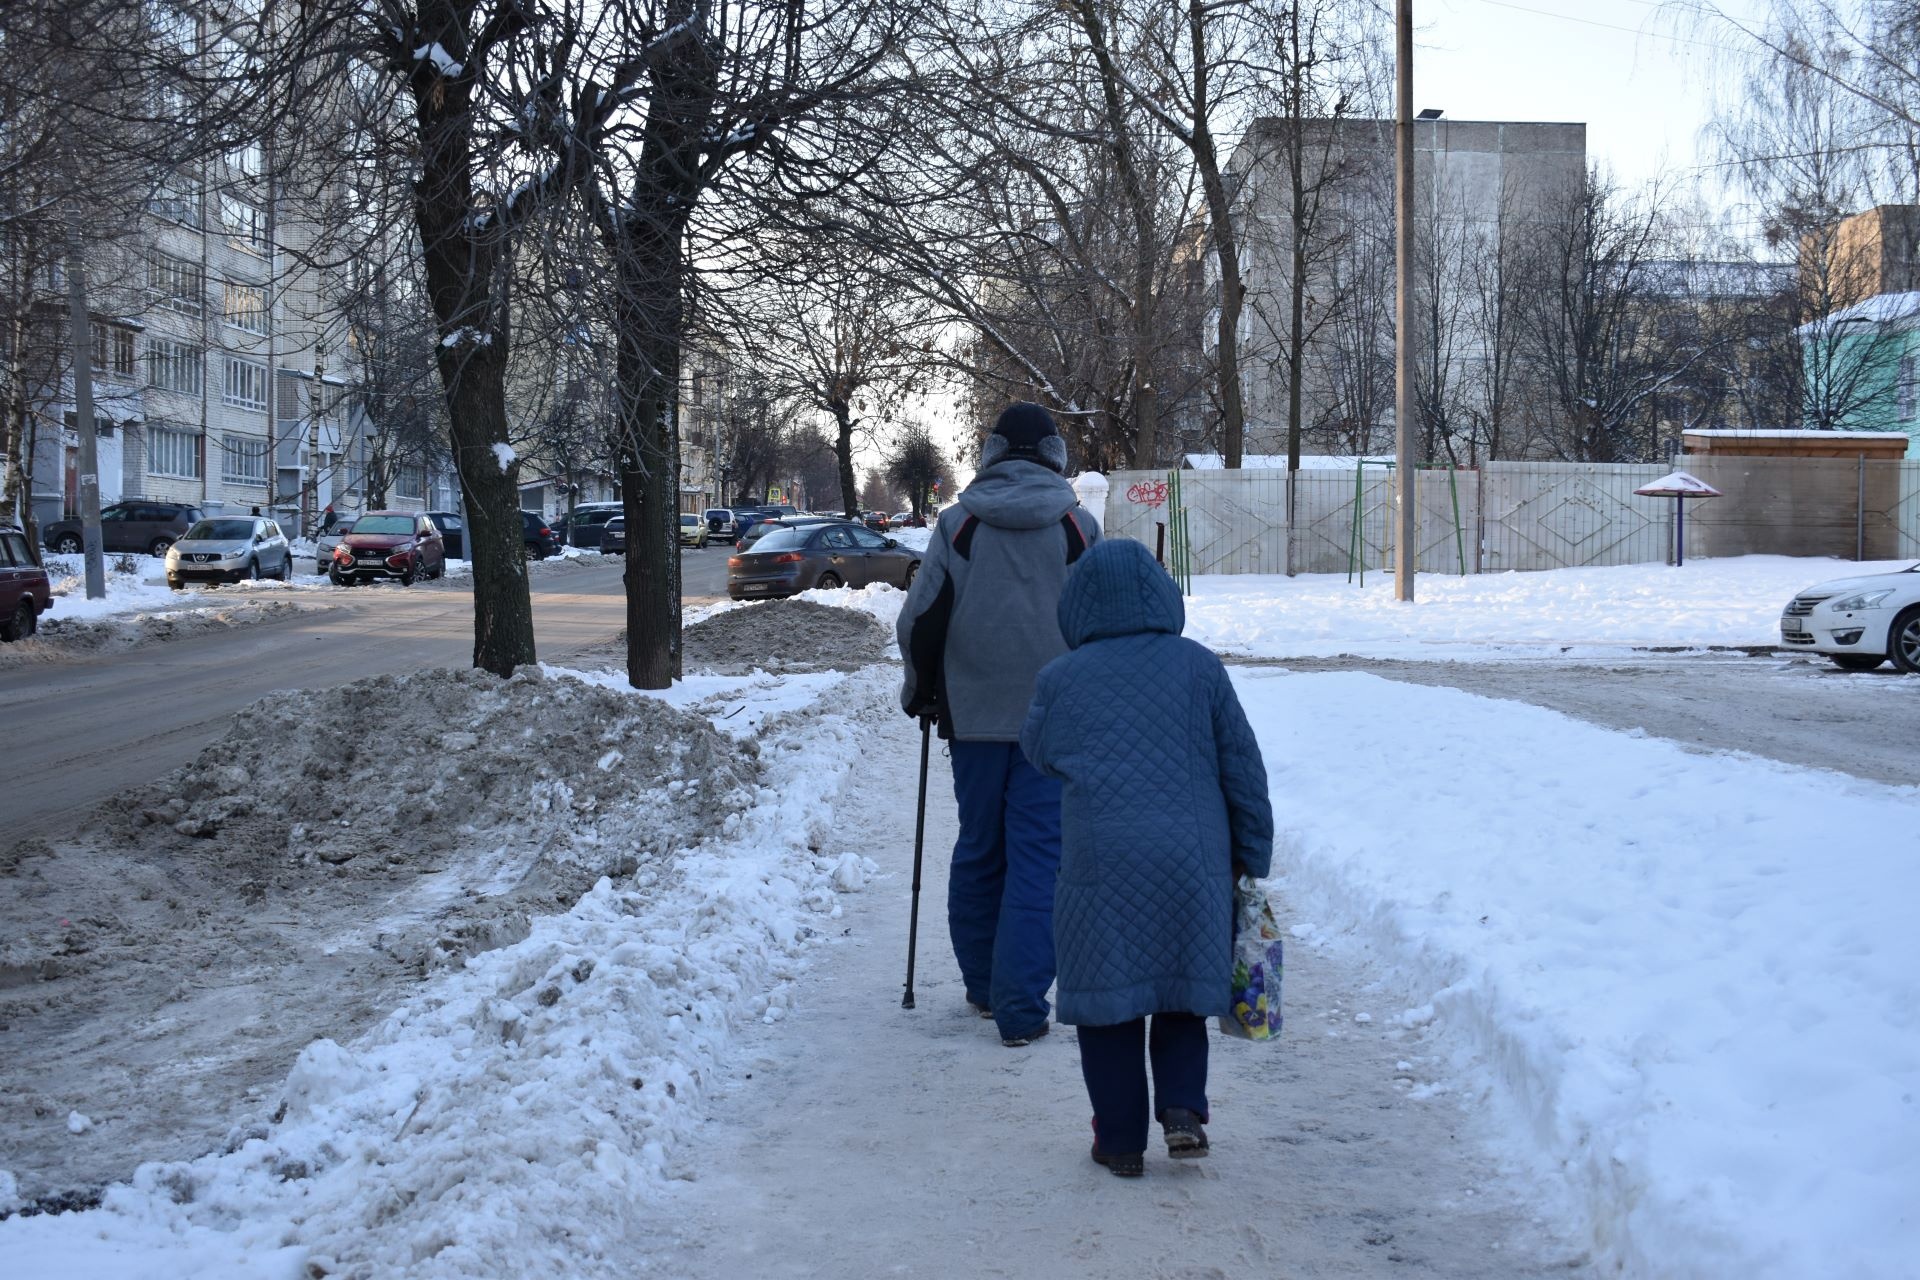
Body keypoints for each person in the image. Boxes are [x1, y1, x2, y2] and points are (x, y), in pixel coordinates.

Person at [1020, 538, 1274, 1177]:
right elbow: (1242, 766)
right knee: (1182, 991)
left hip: (1099, 863)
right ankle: (1184, 1109)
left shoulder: (1060, 677)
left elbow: (1038, 753)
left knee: (1108, 1007)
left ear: (1076, 607)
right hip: (1193, 862)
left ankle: (1120, 1141)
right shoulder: (1199, 667)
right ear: (1162, 594)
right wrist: (1253, 853)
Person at [897, 402, 1100, 1048]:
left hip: (973, 717)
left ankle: (985, 988)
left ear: (988, 453)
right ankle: (1020, 1005)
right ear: (1054, 455)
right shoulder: (1078, 527)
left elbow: (920, 620)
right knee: (1040, 857)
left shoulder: (959, 526)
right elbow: (1101, 618)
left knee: (980, 848)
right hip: (1056, 722)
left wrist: (920, 691)